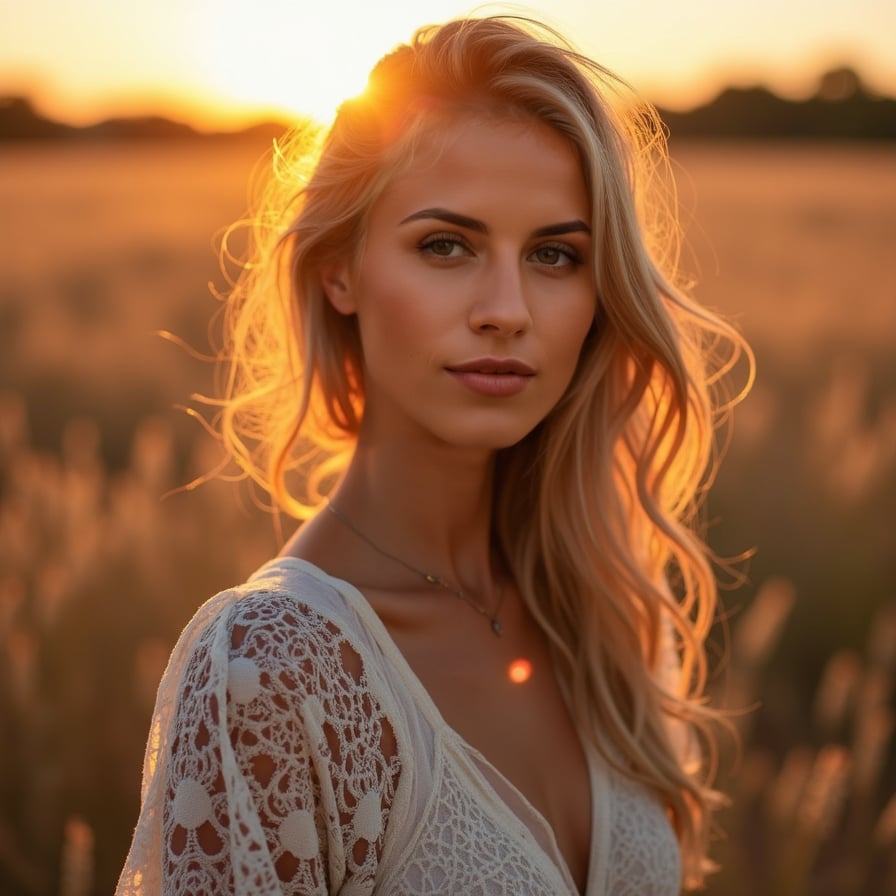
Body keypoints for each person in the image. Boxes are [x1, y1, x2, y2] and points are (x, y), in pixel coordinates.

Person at [117, 15, 750, 896]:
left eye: (555, 255)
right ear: (340, 268)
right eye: (446, 245)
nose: (506, 308)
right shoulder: (270, 668)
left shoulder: (605, 609)